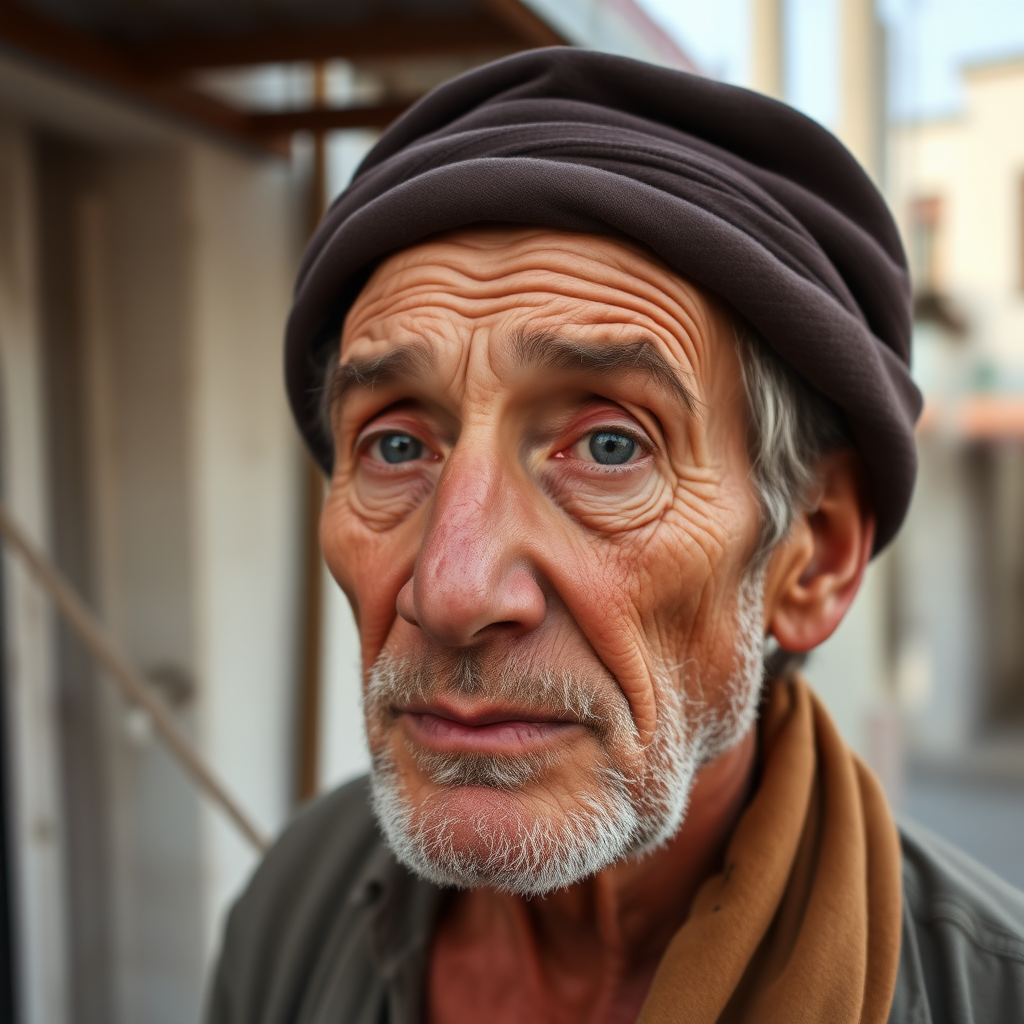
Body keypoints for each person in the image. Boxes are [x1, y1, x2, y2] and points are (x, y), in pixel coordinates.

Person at [206, 49, 1024, 1024]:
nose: (453, 587)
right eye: (393, 443)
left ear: (814, 553)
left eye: (606, 444)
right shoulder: (294, 903)